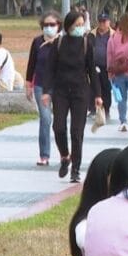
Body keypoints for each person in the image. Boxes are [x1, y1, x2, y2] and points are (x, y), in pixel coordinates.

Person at [43, 11, 103, 183]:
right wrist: (46, 91)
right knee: (58, 127)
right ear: (69, 26)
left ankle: (75, 169)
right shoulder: (58, 43)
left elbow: (92, 71)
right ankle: (65, 156)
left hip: (80, 92)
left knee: (77, 132)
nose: (80, 28)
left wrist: (98, 94)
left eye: (82, 25)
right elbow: (50, 69)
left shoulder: (86, 44)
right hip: (61, 92)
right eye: (77, 25)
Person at [25, 11, 61, 166]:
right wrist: (28, 84)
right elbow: (31, 63)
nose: (49, 27)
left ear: (58, 25)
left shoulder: (63, 42)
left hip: (59, 86)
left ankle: (64, 153)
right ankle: (44, 154)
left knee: (59, 122)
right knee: (45, 119)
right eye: (46, 25)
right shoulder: (37, 42)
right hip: (41, 85)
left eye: (52, 24)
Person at [91, 14, 114, 119]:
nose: (102, 24)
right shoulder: (91, 34)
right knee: (94, 87)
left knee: (106, 88)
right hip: (94, 65)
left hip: (107, 66)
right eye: (100, 21)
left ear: (109, 22)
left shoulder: (113, 35)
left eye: (104, 21)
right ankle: (92, 109)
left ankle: (106, 109)